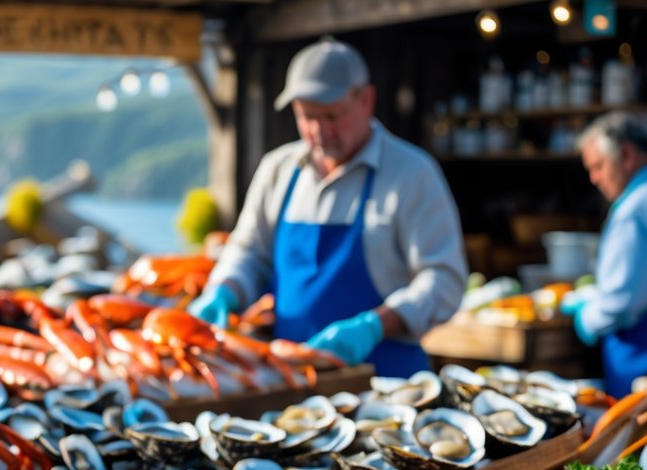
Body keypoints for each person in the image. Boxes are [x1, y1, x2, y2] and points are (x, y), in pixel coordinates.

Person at [188, 38, 467, 376]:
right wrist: (223, 290)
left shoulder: (412, 174)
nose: (319, 131)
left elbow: (445, 279)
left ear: (365, 100)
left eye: (332, 116)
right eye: (307, 116)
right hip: (290, 377)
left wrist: (374, 325)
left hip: (388, 381)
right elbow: (249, 251)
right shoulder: (278, 170)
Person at [561, 111, 647, 398]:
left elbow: (622, 302)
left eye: (599, 166)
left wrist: (587, 317)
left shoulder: (637, 208)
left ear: (626, 155)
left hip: (643, 363)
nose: (594, 178)